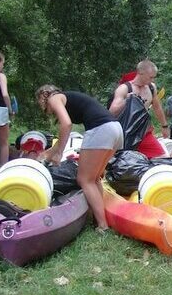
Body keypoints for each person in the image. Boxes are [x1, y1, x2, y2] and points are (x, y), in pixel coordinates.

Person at [36, 85, 123, 229]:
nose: (45, 109)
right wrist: (52, 151)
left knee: (84, 180)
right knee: (94, 179)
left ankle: (102, 226)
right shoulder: (67, 98)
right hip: (115, 128)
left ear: (44, 95)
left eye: (41, 103)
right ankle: (99, 220)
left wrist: (58, 152)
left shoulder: (54, 98)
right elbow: (65, 129)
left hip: (101, 129)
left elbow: (67, 124)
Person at [109, 60, 169, 158]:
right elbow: (112, 112)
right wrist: (127, 100)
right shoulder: (124, 88)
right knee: (120, 162)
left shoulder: (151, 87)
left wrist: (164, 126)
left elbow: (157, 107)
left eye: (154, 77)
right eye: (150, 77)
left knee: (162, 158)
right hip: (125, 133)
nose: (152, 80)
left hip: (144, 132)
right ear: (141, 73)